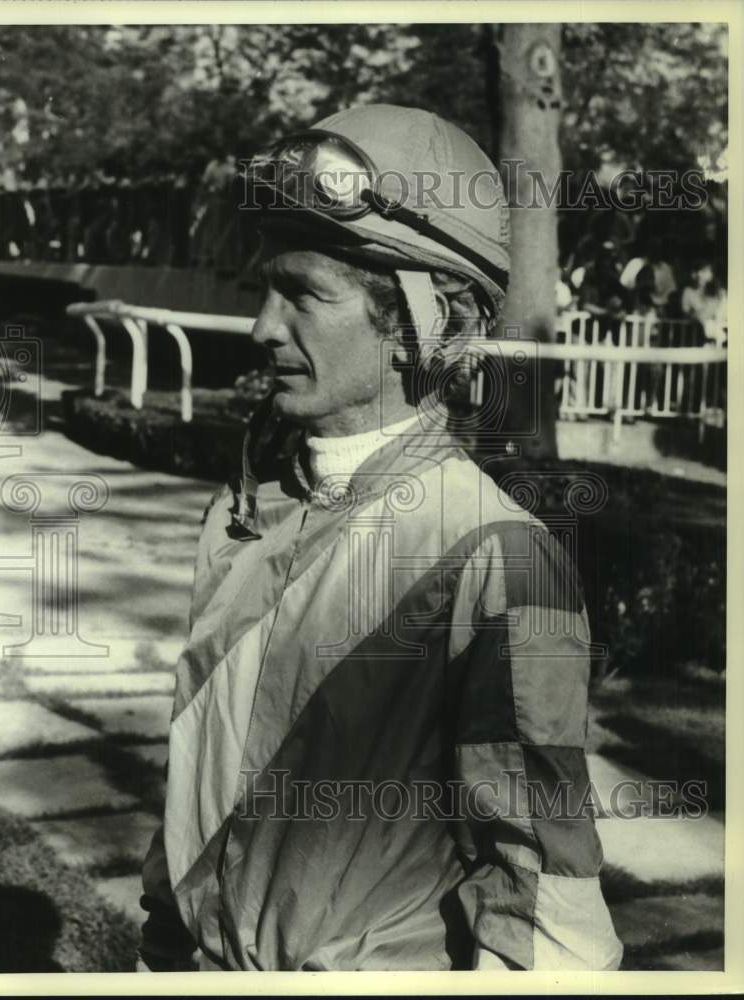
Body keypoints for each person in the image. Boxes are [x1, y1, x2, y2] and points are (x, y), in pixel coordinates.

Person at [138, 104, 623, 973]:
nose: (261, 327)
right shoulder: (248, 505)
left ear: (421, 321)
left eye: (303, 295)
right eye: (264, 290)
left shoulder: (496, 557)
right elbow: (201, 777)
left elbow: (546, 905)